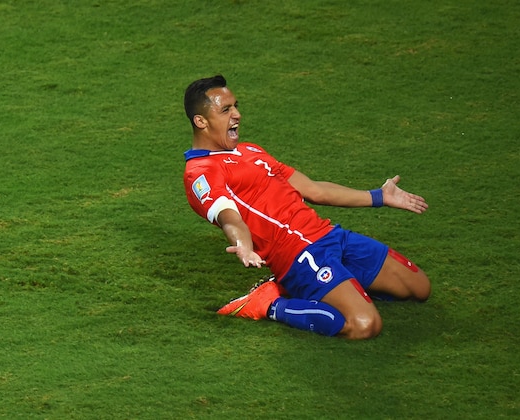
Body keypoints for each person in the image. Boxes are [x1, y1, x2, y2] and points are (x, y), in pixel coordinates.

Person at [183, 75, 431, 340]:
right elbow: (230, 218)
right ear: (201, 121)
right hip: (299, 256)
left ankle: (335, 286)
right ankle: (268, 304)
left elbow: (314, 190)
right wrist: (243, 245)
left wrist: (379, 196)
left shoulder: (250, 151)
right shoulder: (200, 173)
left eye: (235, 106)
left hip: (330, 235)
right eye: (226, 110)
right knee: (364, 324)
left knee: (418, 287)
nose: (238, 115)